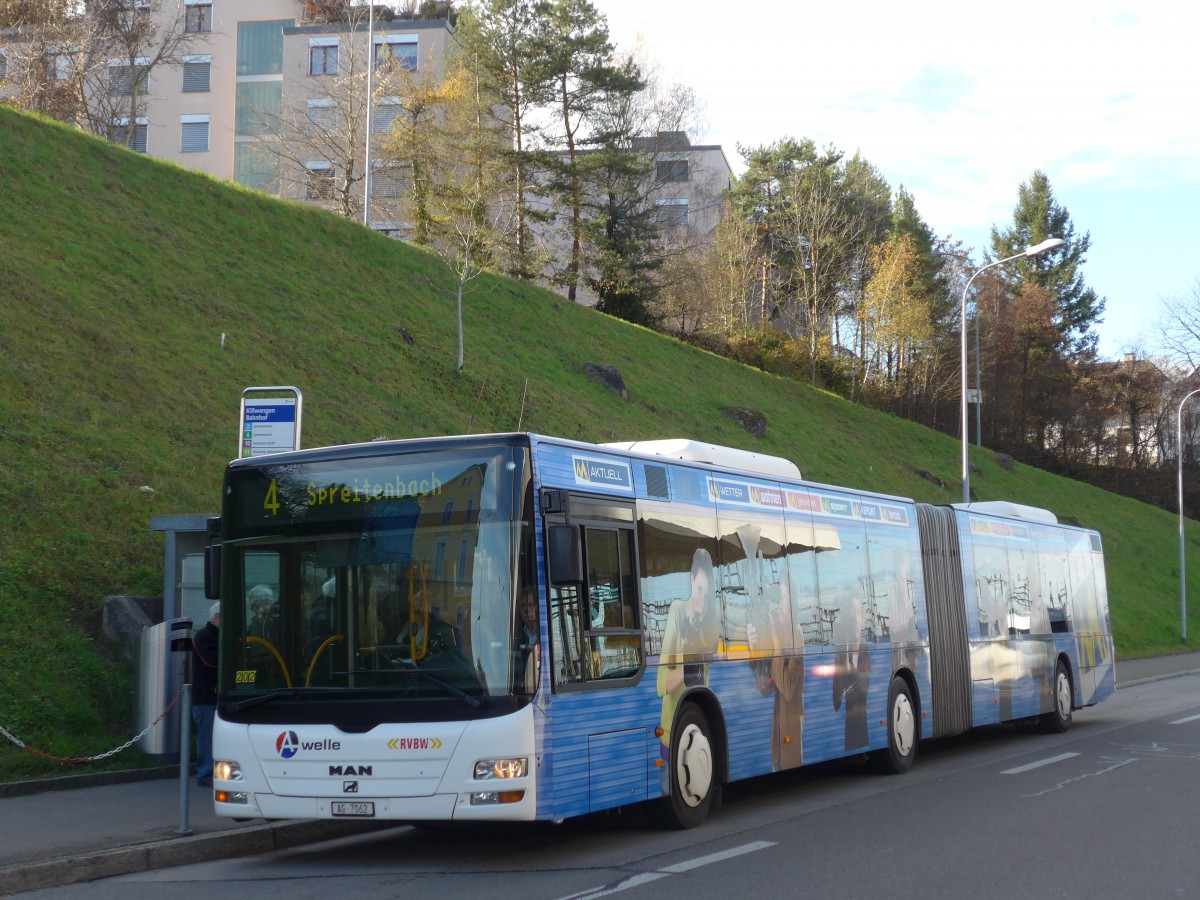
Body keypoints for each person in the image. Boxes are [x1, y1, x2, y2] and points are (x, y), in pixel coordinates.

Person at [657, 548, 720, 779]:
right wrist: (691, 662)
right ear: (691, 581)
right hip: (671, 736)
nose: (702, 600)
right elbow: (662, 684)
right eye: (699, 589)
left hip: (697, 733)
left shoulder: (710, 624)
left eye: (707, 593)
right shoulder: (677, 611)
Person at [192, 602, 219, 787]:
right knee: (207, 737)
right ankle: (205, 773)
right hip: (206, 697)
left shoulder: (212, 635)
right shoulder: (203, 636)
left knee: (211, 737)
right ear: (217, 616)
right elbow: (212, 660)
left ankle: (211, 772)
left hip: (214, 695)